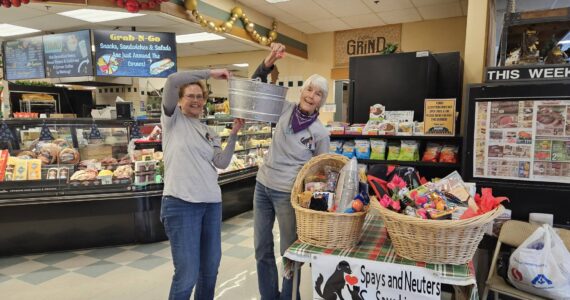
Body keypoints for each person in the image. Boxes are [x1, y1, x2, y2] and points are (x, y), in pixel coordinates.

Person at [252, 43, 331, 300]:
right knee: (261, 248)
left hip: (288, 194)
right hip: (262, 187)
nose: (311, 95)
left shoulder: (320, 133)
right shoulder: (283, 109)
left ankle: (288, 297)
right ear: (302, 91)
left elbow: (321, 174)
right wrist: (268, 62)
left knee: (289, 252)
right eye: (309, 88)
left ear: (322, 101)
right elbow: (257, 88)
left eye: (318, 93)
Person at [160, 69, 245, 300]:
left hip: (211, 205)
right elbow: (172, 80)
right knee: (187, 274)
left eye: (200, 96)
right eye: (190, 96)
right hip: (181, 204)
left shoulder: (208, 131)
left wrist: (235, 133)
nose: (196, 100)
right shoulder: (172, 120)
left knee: (209, 271)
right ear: (179, 100)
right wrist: (210, 73)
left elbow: (222, 162)